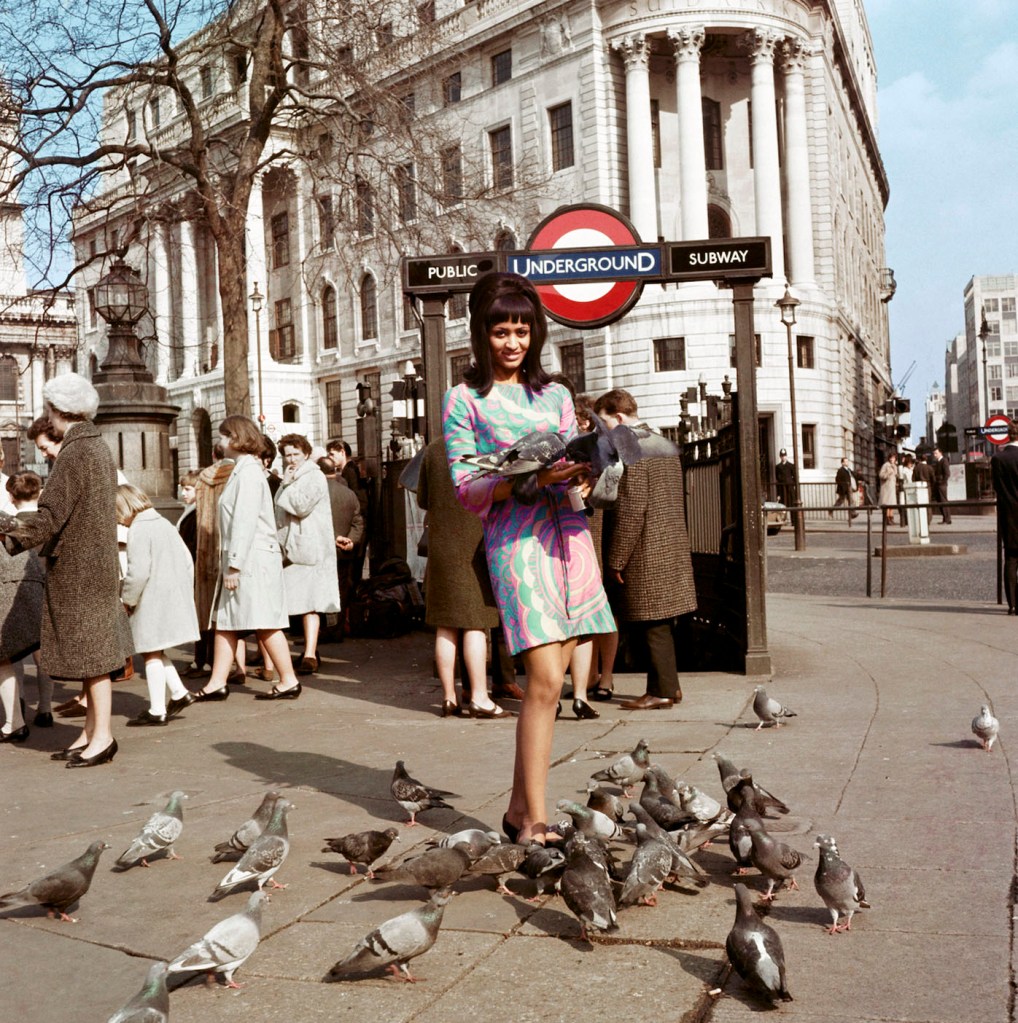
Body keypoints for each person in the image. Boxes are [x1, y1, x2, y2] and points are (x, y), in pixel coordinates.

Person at [443, 272, 615, 845]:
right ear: (480, 333)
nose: (513, 342)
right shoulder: (465, 399)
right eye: (501, 331)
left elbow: (573, 459)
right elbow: (466, 487)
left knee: (556, 680)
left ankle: (520, 809)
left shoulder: (558, 395)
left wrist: (584, 475)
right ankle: (535, 824)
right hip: (516, 542)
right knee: (543, 678)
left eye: (522, 330)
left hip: (568, 535)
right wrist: (523, 478)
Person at [0, 373, 131, 767]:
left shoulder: (76, 453)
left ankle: (101, 737)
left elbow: (49, 516)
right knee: (97, 655)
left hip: (79, 570)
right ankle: (91, 733)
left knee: (93, 658)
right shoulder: (96, 447)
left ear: (58, 411)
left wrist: (5, 525)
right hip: (94, 565)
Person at [595, 388, 697, 710]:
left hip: (645, 549)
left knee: (651, 623)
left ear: (620, 418)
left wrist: (615, 559)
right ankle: (669, 685)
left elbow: (630, 508)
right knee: (661, 621)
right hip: (668, 542)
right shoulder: (662, 442)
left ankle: (661, 691)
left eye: (606, 423)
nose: (604, 431)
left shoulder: (631, 448)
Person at [190, 415, 301, 701]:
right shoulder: (244, 470)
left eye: (224, 436)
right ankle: (217, 681)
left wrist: (234, 565)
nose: (220, 441)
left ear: (237, 438)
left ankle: (288, 679)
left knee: (263, 621)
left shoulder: (248, 473)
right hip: (249, 559)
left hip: (251, 561)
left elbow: (244, 521)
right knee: (228, 622)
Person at [417, 436, 508, 718]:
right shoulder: (487, 448)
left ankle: (448, 697)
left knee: (446, 625)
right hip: (476, 543)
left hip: (442, 545)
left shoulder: (434, 449)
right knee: (475, 624)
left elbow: (422, 498)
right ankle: (480, 697)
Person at [117, 484, 200, 726]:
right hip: (173, 595)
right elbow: (187, 561)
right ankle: (178, 692)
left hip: (151, 598)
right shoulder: (163, 522)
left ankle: (157, 709)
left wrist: (128, 599)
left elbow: (138, 572)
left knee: (150, 651)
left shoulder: (139, 530)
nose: (119, 522)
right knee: (158, 649)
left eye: (117, 514)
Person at [274, 433, 340, 675]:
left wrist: (287, 483)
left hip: (309, 547)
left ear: (306, 453)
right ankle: (307, 652)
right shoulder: (291, 476)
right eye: (287, 455)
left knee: (310, 602)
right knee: (298, 602)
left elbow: (299, 506)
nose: (291, 459)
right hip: (293, 548)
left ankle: (310, 653)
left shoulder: (313, 476)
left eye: (296, 454)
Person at [0, 472, 46, 742]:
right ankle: (44, 709)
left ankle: (14, 721)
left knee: (3, 657)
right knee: (40, 654)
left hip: (9, 589)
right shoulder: (10, 519)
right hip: (33, 586)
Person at [192, 441, 235, 677]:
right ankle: (231, 666)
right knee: (230, 612)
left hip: (205, 548)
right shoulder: (237, 475)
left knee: (207, 607)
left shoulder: (204, 478)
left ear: (212, 454)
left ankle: (206, 661)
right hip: (228, 549)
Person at [317, 456, 364, 631]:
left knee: (321, 590)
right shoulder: (348, 493)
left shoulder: (316, 493)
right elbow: (358, 522)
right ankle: (337, 627)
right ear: (334, 471)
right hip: (343, 551)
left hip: (321, 550)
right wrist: (351, 540)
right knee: (341, 588)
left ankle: (324, 629)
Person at [992, 420, 1018, 614]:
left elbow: (997, 488)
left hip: (1008, 515)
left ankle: (1013, 604)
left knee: (1010, 558)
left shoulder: (998, 459)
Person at [912, 453, 935, 527]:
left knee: (920, 504)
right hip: (927, 486)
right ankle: (928, 519)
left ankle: (921, 520)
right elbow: (933, 479)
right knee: (928, 504)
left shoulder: (916, 468)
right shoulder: (929, 468)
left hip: (919, 487)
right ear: (926, 459)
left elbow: (913, 479)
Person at [932, 446, 952, 524]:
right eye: (934, 453)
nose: (935, 455)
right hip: (938, 484)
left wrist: (943, 482)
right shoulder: (937, 462)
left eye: (936, 453)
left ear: (940, 453)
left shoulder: (944, 461)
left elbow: (947, 473)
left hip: (942, 485)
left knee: (943, 501)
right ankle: (944, 518)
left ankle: (947, 518)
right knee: (940, 501)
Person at [878, 452, 898, 525]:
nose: (892, 459)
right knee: (887, 503)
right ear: (889, 458)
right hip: (886, 488)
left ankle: (891, 517)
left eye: (894, 458)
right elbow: (881, 475)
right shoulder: (886, 465)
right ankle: (887, 518)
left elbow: (895, 475)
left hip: (892, 487)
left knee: (891, 504)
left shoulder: (894, 466)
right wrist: (888, 473)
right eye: (891, 457)